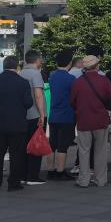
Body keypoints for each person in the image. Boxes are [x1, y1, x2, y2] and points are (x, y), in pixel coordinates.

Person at [0, 56, 34, 192]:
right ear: (17, 67)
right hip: (17, 123)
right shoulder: (23, 82)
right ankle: (13, 183)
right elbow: (28, 103)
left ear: (4, 66)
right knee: (16, 154)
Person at [69, 56, 111, 188]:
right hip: (101, 120)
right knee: (100, 151)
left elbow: (72, 101)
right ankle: (100, 180)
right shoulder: (104, 80)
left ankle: (84, 180)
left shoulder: (78, 82)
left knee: (84, 151)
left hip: (84, 121)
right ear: (96, 66)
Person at [46, 51, 78, 181]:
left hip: (53, 115)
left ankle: (50, 170)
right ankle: (60, 171)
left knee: (52, 144)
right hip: (67, 115)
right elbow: (75, 97)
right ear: (69, 63)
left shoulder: (52, 77)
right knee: (63, 146)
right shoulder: (71, 79)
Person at [19, 51, 47, 185]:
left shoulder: (21, 73)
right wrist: (42, 114)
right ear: (37, 60)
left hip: (23, 115)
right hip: (35, 115)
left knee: (24, 146)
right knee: (36, 144)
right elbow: (38, 95)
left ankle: (23, 175)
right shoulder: (36, 74)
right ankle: (33, 176)